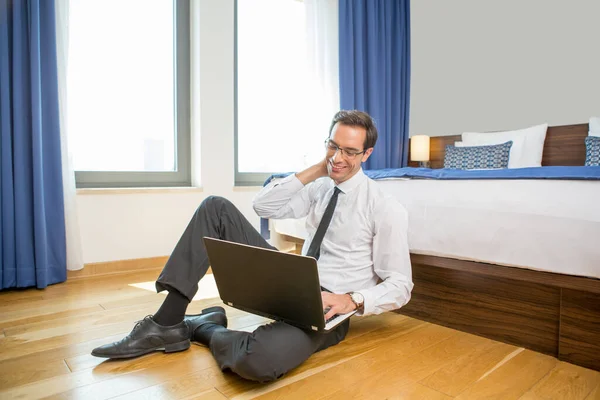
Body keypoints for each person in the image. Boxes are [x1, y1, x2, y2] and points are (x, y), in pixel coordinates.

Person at [91, 110, 413, 383]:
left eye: (350, 152)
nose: (338, 157)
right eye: (333, 146)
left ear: (367, 154)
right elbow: (263, 206)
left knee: (257, 361)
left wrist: (351, 300)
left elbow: (401, 285)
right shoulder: (320, 185)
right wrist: (318, 169)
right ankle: (165, 322)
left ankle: (201, 328)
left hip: (327, 304)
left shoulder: (384, 208)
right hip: (290, 279)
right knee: (215, 207)